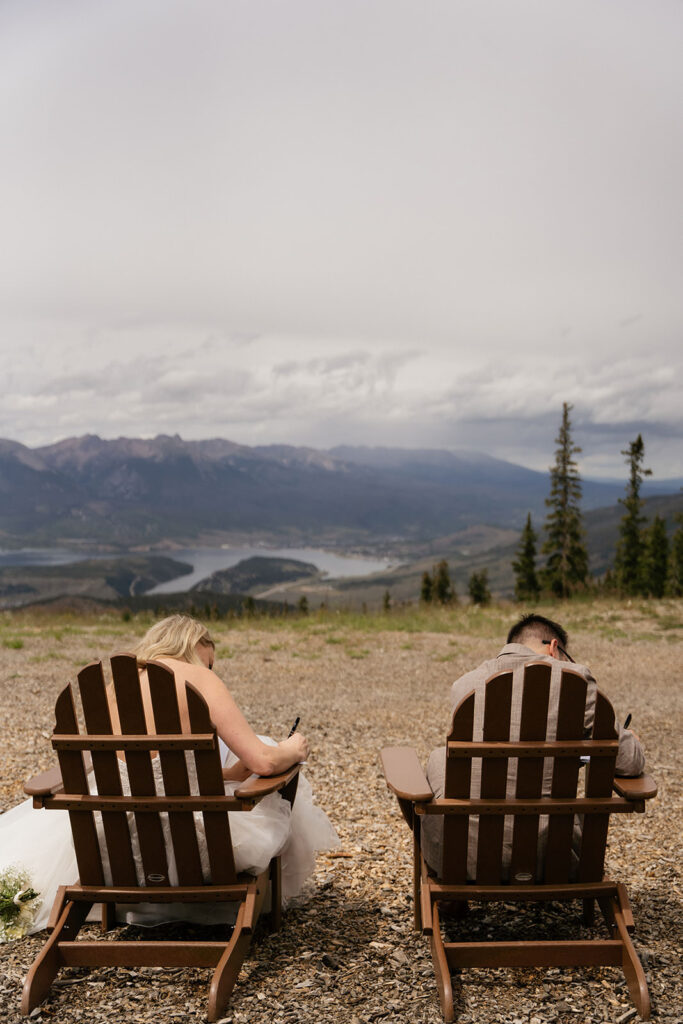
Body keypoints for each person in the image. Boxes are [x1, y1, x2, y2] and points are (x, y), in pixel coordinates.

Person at [0, 615, 339, 935]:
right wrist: (293, 748)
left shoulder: (113, 690)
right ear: (194, 646)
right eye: (209, 661)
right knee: (273, 757)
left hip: (114, 844)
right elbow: (264, 762)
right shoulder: (199, 677)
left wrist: (228, 774)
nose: (210, 669)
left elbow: (144, 774)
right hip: (195, 846)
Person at [421, 613, 646, 879]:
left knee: (438, 759)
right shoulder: (575, 680)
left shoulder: (465, 685)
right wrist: (629, 739)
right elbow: (630, 763)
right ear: (553, 647)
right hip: (556, 856)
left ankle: (451, 895)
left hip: (465, 860)